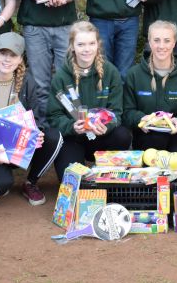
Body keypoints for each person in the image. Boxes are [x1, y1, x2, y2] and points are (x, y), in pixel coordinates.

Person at [0, 32, 63, 205]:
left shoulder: (28, 83)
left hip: (21, 146)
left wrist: (38, 132)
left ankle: (31, 182)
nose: (7, 59)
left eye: (13, 55)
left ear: (20, 59)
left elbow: (37, 117)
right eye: (3, 53)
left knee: (54, 137)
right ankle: (1, 174)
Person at [46, 21, 132, 180]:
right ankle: (80, 170)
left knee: (123, 135)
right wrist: (72, 127)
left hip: (102, 137)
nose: (86, 49)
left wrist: (107, 126)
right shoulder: (61, 77)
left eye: (91, 43)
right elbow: (54, 116)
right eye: (81, 44)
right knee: (73, 183)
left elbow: (117, 112)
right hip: (74, 139)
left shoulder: (110, 72)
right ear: (72, 46)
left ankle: (104, 171)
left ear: (98, 44)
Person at [123, 21, 177, 159]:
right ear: (149, 42)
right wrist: (140, 119)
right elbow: (127, 111)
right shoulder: (134, 74)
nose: (161, 46)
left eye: (167, 41)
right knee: (153, 156)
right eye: (156, 40)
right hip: (147, 134)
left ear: (174, 42)